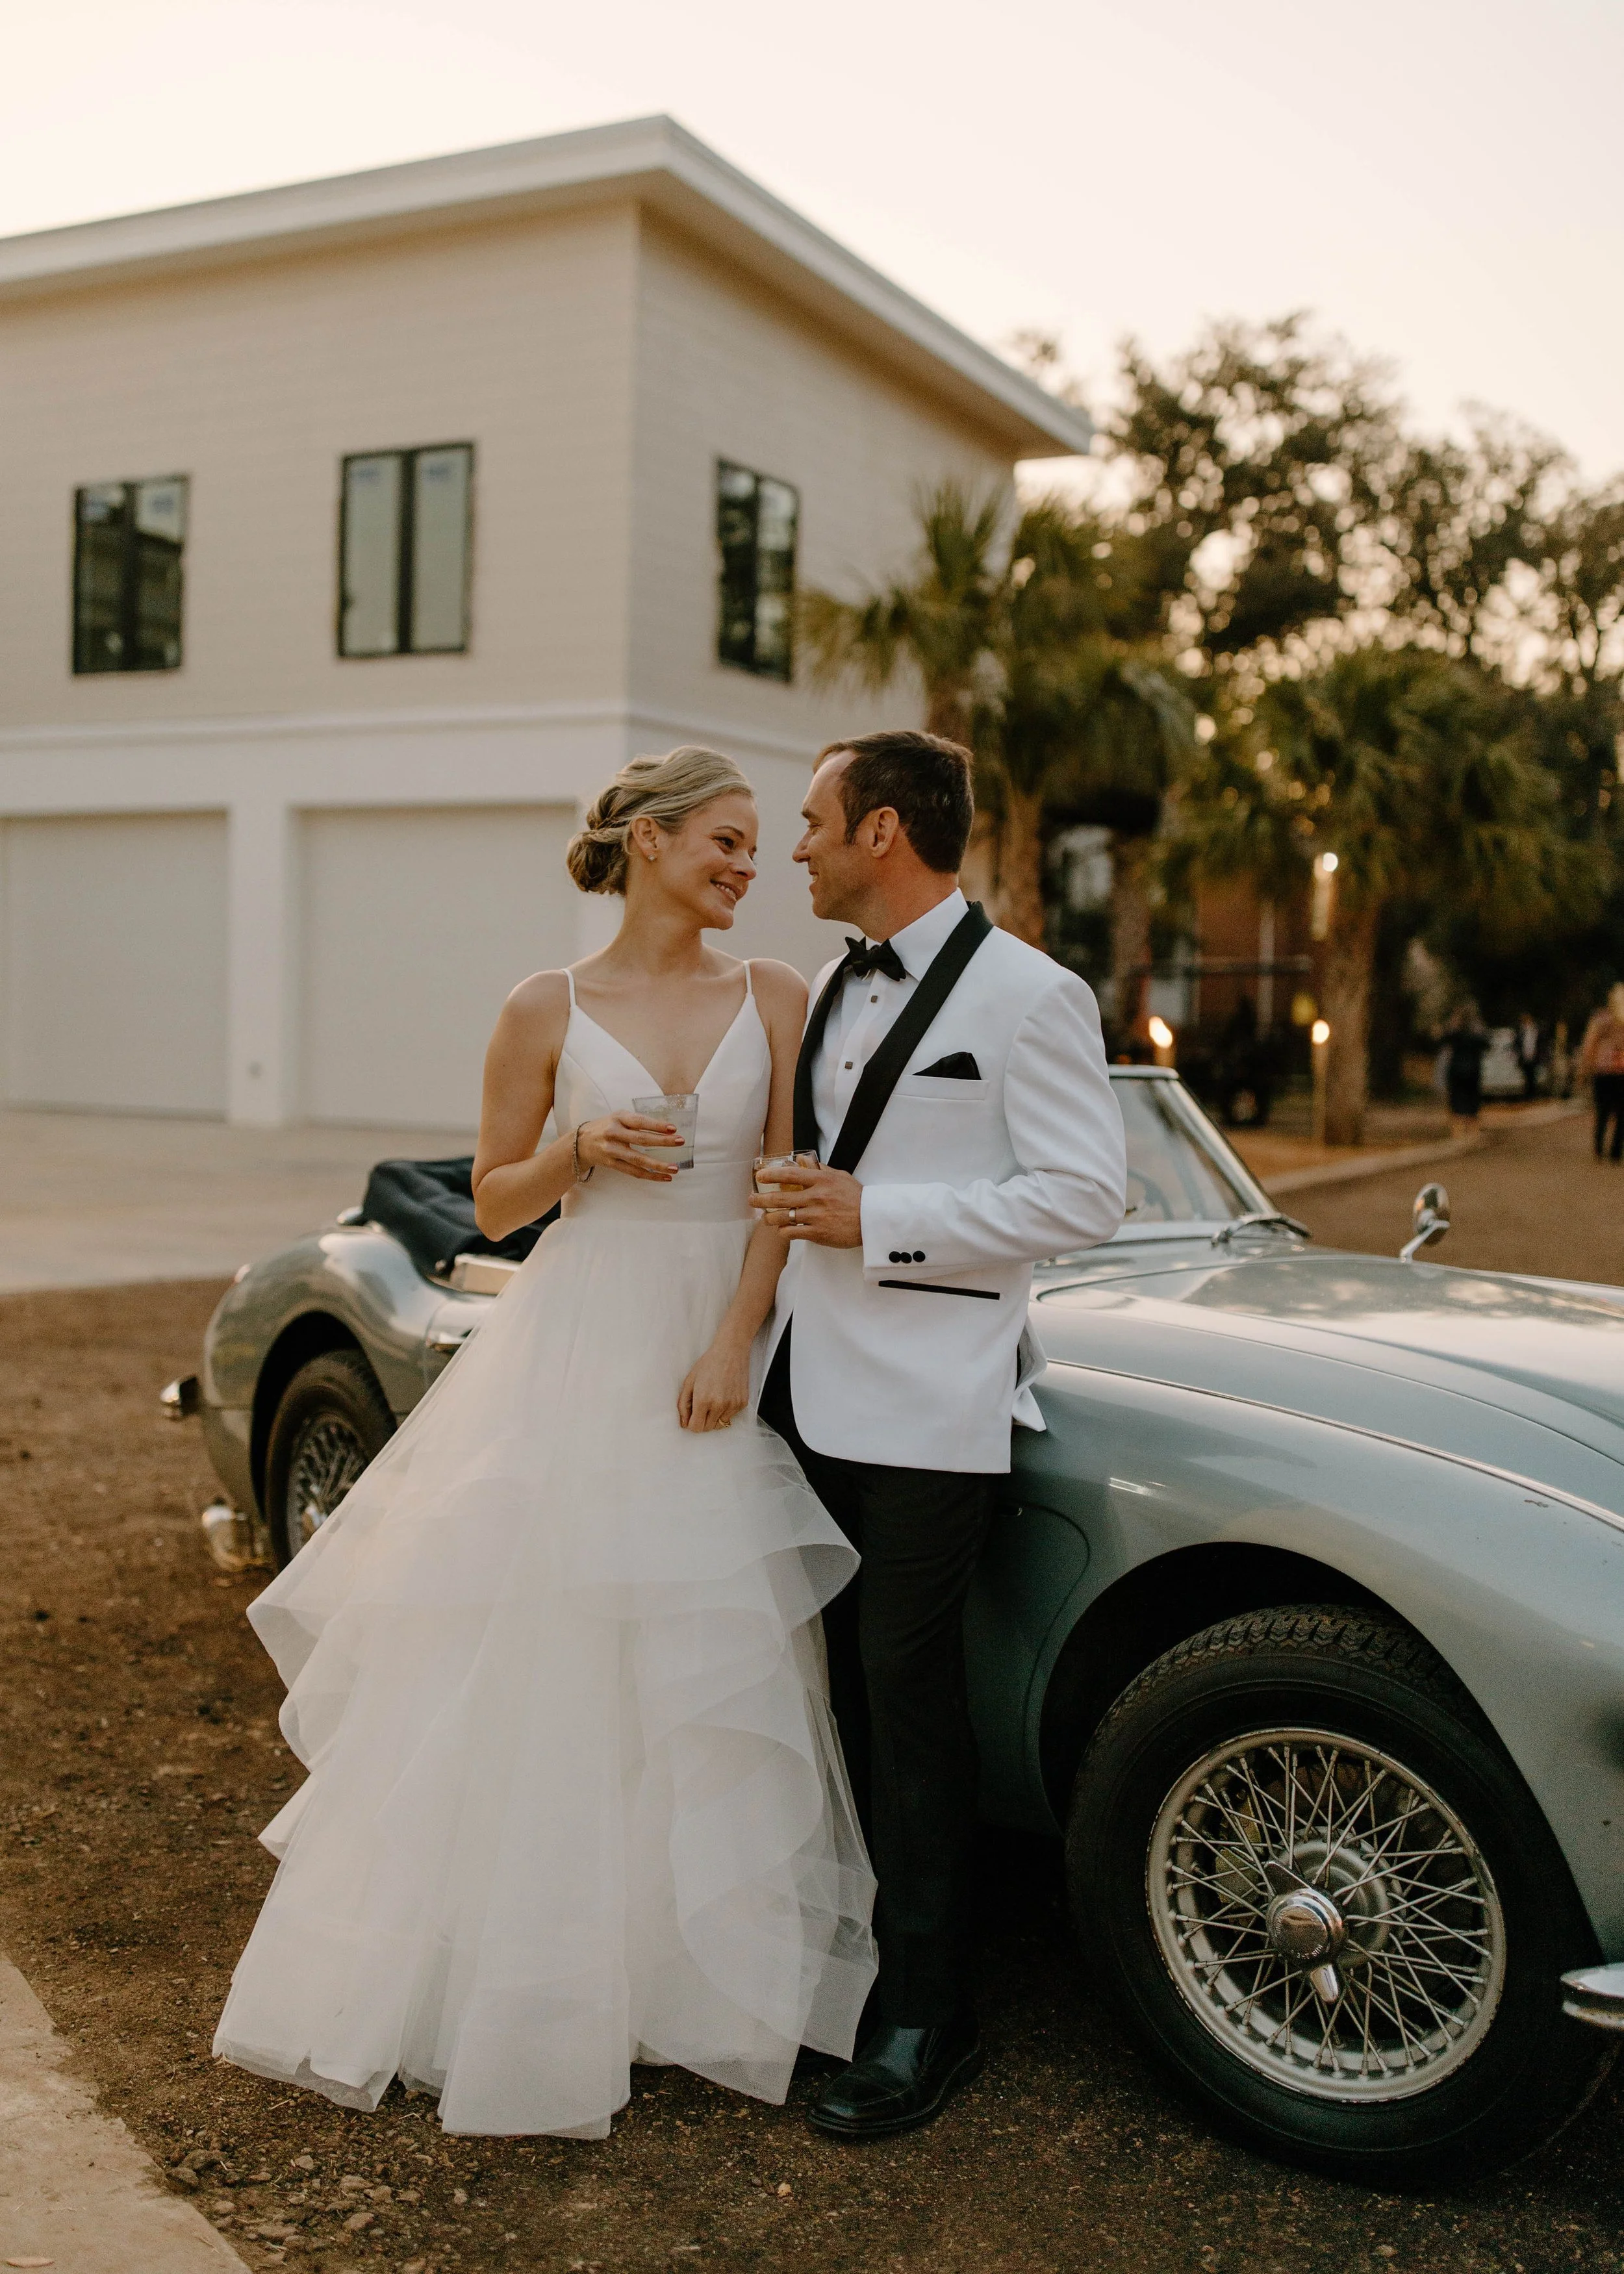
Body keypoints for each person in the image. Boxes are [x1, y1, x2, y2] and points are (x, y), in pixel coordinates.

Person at [214, 746, 877, 2138]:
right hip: (579, 1338)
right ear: (645, 840)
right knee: (556, 1645)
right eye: (724, 839)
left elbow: (780, 1181)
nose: (749, 865)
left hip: (712, 1335)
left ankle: (696, 1988)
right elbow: (495, 1204)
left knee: (708, 1649)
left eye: (761, 844)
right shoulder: (542, 1006)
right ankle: (531, 1982)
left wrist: (731, 1339)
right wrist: (580, 1152)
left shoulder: (776, 993)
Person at [752, 729, 1126, 2138]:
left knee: (905, 1704)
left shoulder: (1031, 995)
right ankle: (843, 1965)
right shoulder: (820, 989)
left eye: (810, 821)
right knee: (819, 1696)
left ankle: (927, 2008)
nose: (794, 845)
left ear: (883, 832)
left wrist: (882, 1222)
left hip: (926, 1407)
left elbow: (1085, 1194)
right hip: (798, 1388)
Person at [1578, 982, 1624, 1162]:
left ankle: (1599, 1148)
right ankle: (1615, 1151)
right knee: (1621, 1113)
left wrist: (1586, 1067)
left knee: (1603, 1110)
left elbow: (1590, 1044)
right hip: (1621, 1071)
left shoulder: (1601, 1019)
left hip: (1603, 1070)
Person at [1440, 1004, 1490, 1139]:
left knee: (1458, 1100)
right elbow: (1486, 1044)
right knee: (1471, 1100)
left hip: (1458, 1070)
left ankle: (1459, 1131)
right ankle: (1472, 1130)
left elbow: (1443, 1038)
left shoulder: (1456, 1032)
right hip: (1471, 1070)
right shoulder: (1475, 1032)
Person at [1515, 1011, 1543, 1102]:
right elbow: (1518, 1044)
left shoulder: (1536, 1030)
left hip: (1534, 1057)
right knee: (1526, 1076)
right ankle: (1528, 1095)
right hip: (1525, 1057)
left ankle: (1533, 1095)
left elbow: (1540, 1044)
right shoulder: (1521, 1032)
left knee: (1533, 1076)